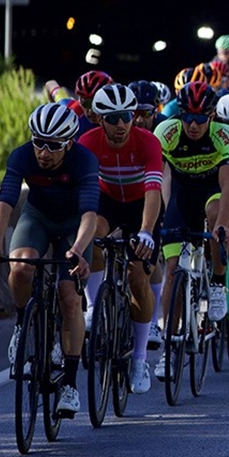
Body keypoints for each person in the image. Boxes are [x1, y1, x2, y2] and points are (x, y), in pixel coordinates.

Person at [0, 103, 97, 418]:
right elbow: (4, 203)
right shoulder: (22, 156)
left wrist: (79, 249)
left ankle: (70, 384)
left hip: (74, 223)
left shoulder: (84, 160)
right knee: (20, 268)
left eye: (53, 145)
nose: (44, 152)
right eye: (38, 142)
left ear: (69, 143)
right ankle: (23, 324)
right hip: (38, 217)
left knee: (69, 298)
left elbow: (90, 213)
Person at [76, 84, 163, 394]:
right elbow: (84, 194)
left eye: (127, 116)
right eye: (113, 118)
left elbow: (153, 191)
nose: (121, 124)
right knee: (93, 236)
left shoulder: (148, 141)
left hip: (142, 206)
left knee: (138, 279)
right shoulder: (87, 142)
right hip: (108, 202)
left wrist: (146, 231)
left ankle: (139, 360)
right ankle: (93, 306)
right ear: (100, 120)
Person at [151, 82, 229, 380]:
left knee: (216, 217)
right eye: (187, 117)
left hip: (212, 192)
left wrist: (222, 225)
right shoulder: (166, 132)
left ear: (211, 116)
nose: (192, 125)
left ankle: (216, 284)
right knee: (173, 270)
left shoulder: (225, 135)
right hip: (180, 195)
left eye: (200, 119)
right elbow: (158, 179)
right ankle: (170, 346)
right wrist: (161, 218)